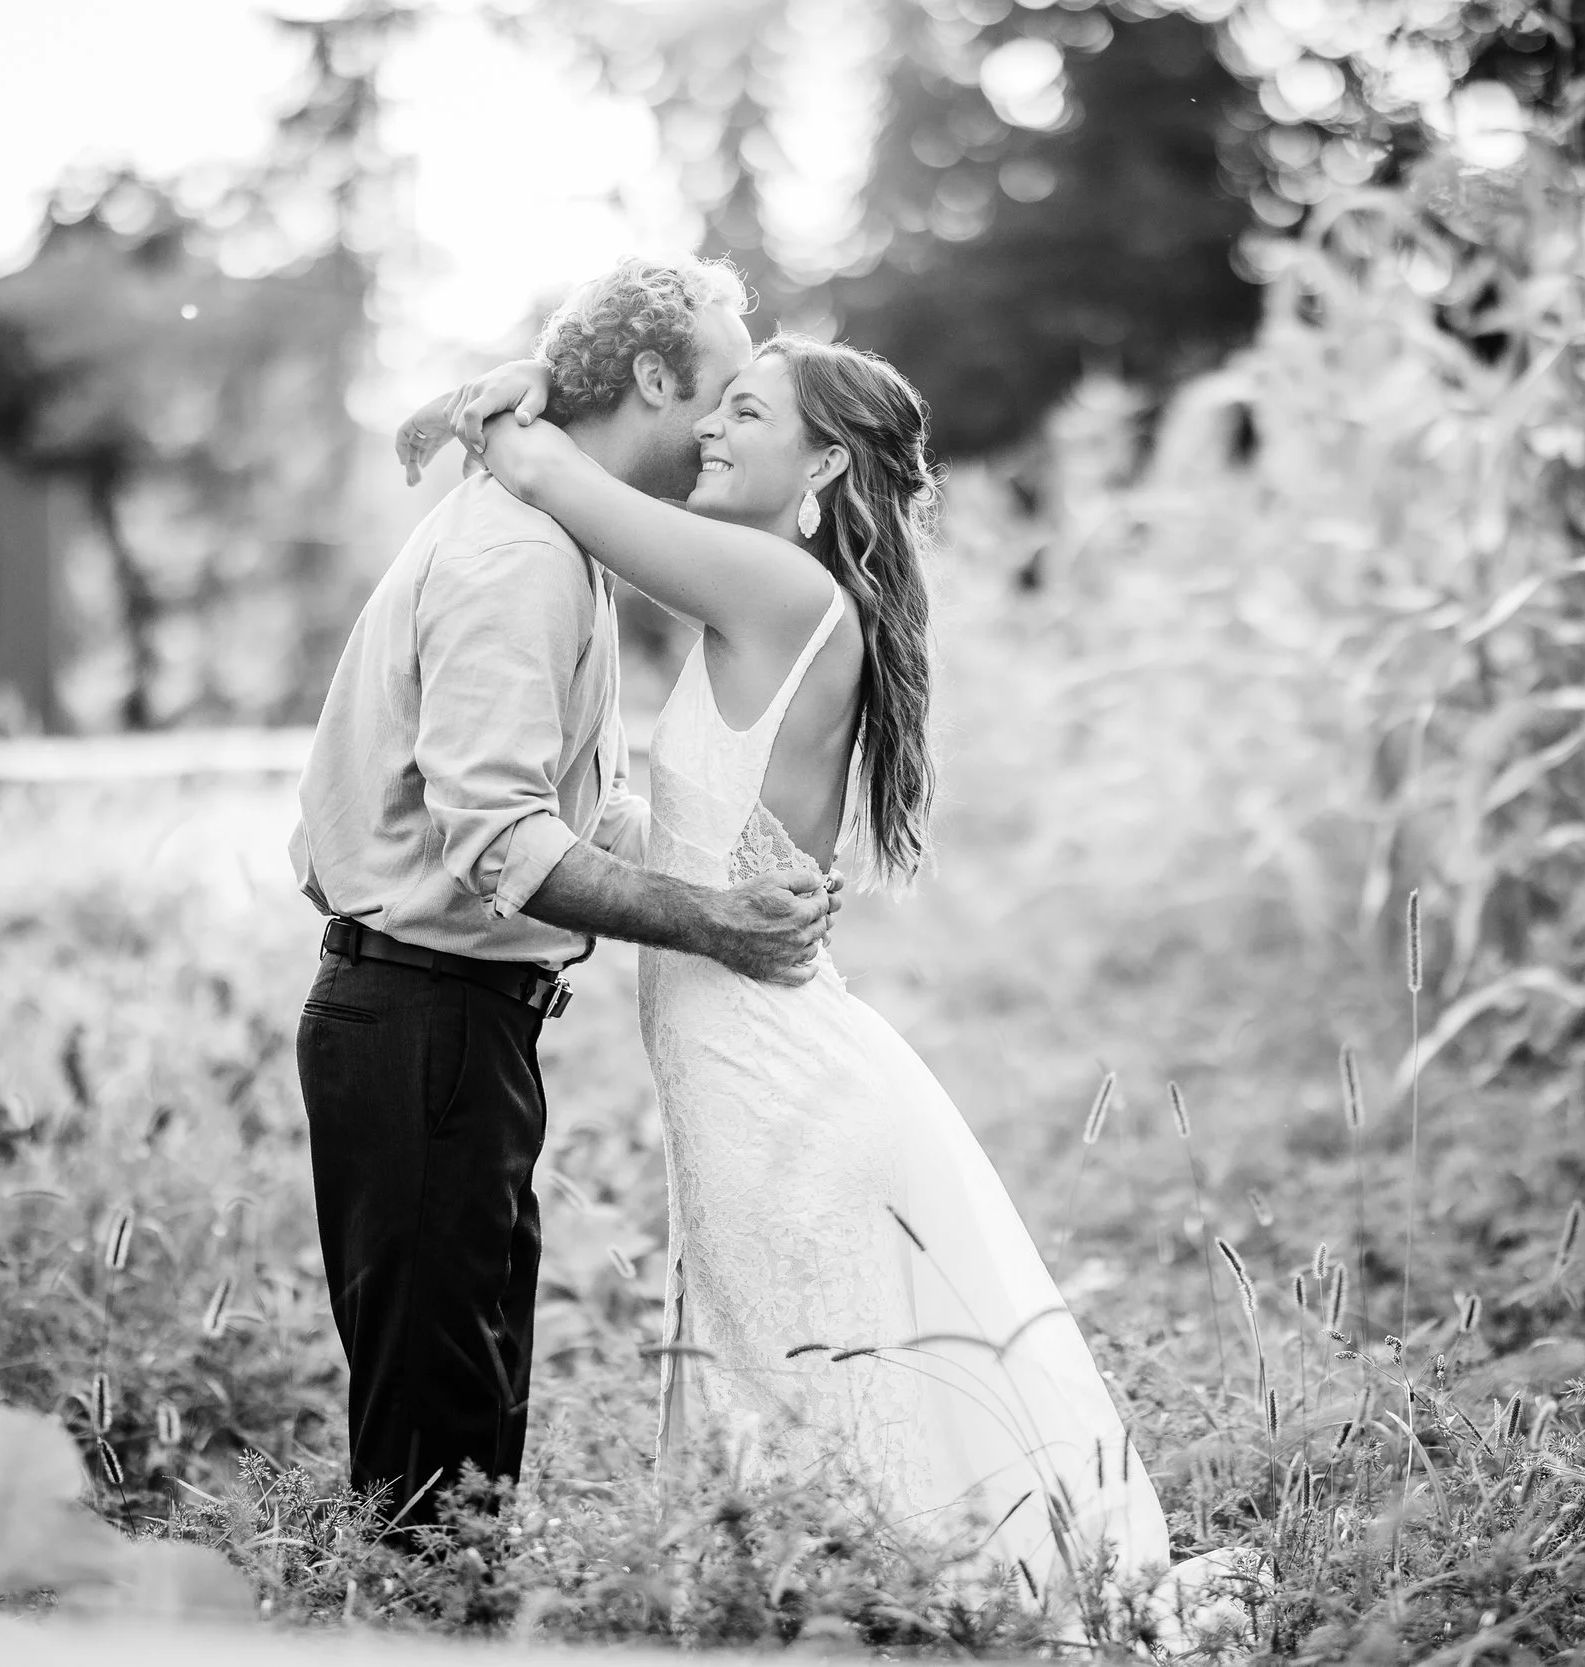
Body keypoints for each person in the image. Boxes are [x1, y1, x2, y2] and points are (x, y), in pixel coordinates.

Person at [397, 317, 1174, 1599]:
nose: (710, 427)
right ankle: (826, 1606)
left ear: (821, 469)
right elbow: (700, 833)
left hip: (773, 1079)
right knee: (786, 1374)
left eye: (747, 413)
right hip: (749, 1066)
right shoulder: (771, 601)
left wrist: (519, 384)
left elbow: (546, 475)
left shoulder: (780, 591)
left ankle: (865, 1611)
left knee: (799, 1378)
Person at [290, 254, 840, 1531]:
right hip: (420, 1021)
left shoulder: (560, 534)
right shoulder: (520, 561)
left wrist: (722, 854)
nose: (719, 425)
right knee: (435, 1458)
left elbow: (569, 811)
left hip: (456, 1022)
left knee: (465, 1413)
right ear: (652, 377)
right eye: (713, 392)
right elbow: (507, 844)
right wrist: (714, 925)